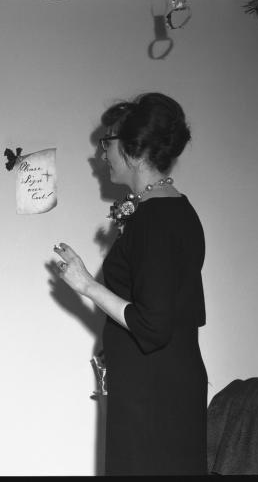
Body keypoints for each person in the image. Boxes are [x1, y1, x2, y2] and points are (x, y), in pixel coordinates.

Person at [53, 92, 207, 475]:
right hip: (165, 385)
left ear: (134, 151)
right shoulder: (177, 211)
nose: (101, 155)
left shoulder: (155, 220)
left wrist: (87, 285)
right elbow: (181, 315)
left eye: (107, 144)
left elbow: (153, 326)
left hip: (152, 395)